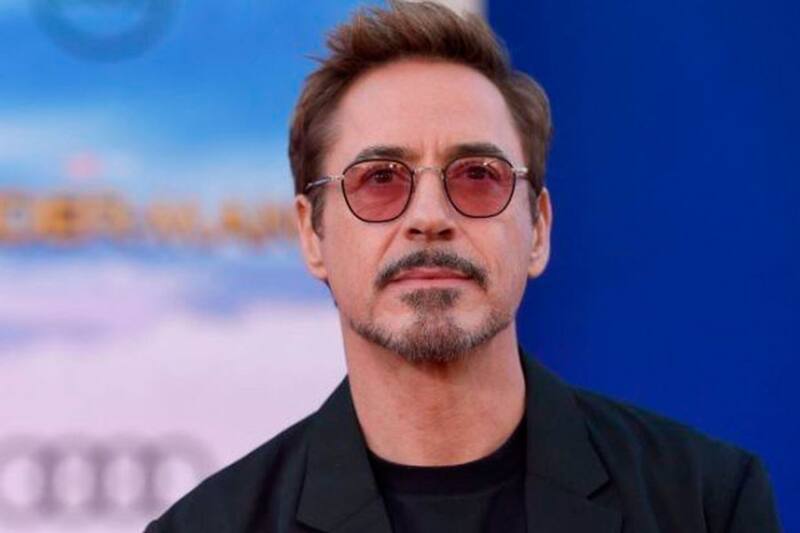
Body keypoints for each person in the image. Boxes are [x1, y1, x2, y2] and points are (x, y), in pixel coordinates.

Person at [144, 1, 782, 531]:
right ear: (313, 235)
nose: (429, 216)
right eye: (379, 179)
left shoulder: (705, 503)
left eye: (478, 176)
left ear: (539, 230)